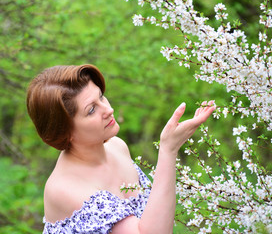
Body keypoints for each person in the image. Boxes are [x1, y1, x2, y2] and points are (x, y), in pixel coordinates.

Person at [26, 64, 215, 234]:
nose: (108, 110)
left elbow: (155, 216)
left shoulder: (117, 147)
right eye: (91, 110)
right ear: (65, 133)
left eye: (101, 96)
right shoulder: (63, 189)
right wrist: (168, 150)